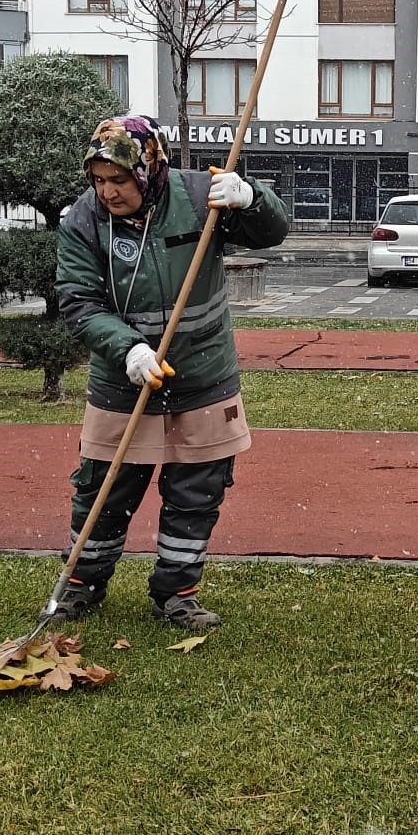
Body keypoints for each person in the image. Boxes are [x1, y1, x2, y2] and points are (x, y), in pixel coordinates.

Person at [53, 115, 291, 631]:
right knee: (103, 490)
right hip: (123, 381)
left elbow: (272, 233)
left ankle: (177, 592)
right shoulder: (84, 220)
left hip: (204, 377)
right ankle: (81, 583)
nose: (108, 192)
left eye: (119, 179)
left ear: (148, 167)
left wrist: (252, 198)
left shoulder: (202, 196)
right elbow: (78, 301)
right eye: (99, 180)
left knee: (196, 493)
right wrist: (128, 349)